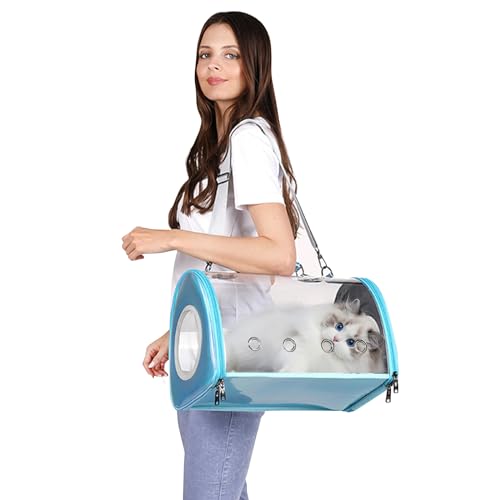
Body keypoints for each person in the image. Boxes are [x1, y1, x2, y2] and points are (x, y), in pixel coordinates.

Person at [121, 11, 299, 500]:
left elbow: (278, 255)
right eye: (205, 54)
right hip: (210, 347)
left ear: (254, 66)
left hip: (235, 353)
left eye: (230, 55)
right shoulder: (221, 147)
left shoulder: (247, 139)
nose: (213, 65)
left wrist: (173, 238)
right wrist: (179, 328)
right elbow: (227, 263)